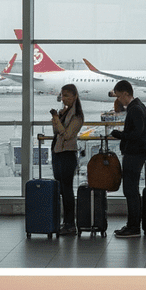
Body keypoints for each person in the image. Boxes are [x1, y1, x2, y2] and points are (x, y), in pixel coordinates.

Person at [108, 80, 146, 238]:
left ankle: (133, 226)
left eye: (119, 96)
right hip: (136, 153)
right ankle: (132, 225)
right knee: (131, 190)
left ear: (126, 94)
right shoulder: (138, 107)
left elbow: (136, 134)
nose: (118, 99)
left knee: (130, 190)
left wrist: (119, 134)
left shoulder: (135, 110)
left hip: (134, 154)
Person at [50, 83, 85, 235]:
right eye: (62, 95)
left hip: (67, 154)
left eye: (67, 96)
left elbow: (67, 134)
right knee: (62, 189)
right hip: (58, 152)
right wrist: (57, 118)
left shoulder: (76, 115)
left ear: (75, 97)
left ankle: (70, 223)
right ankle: (65, 222)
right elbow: (57, 131)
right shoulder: (65, 112)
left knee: (67, 189)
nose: (63, 99)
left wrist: (57, 119)